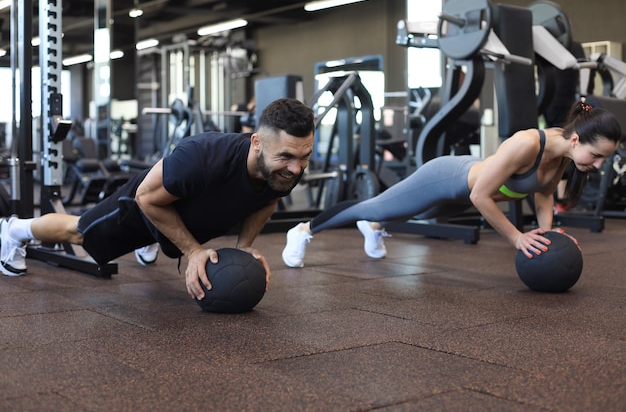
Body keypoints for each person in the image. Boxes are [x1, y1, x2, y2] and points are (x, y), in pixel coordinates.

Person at [1, 98, 315, 301]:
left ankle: (156, 240)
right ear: (257, 142)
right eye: (286, 156)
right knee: (81, 232)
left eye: (304, 157)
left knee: (172, 225)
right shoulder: (201, 158)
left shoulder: (284, 171)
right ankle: (15, 230)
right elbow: (146, 198)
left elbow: (267, 202)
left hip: (186, 211)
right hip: (144, 205)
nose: (296, 168)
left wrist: (244, 246)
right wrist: (192, 251)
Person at [282, 100, 622, 268]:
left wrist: (547, 235)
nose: (599, 164)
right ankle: (303, 230)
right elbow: (480, 195)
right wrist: (516, 237)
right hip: (449, 177)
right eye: (597, 155)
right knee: (377, 204)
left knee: (412, 210)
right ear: (576, 139)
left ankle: (374, 228)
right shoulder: (530, 144)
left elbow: (544, 194)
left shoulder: (565, 155)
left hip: (463, 191)